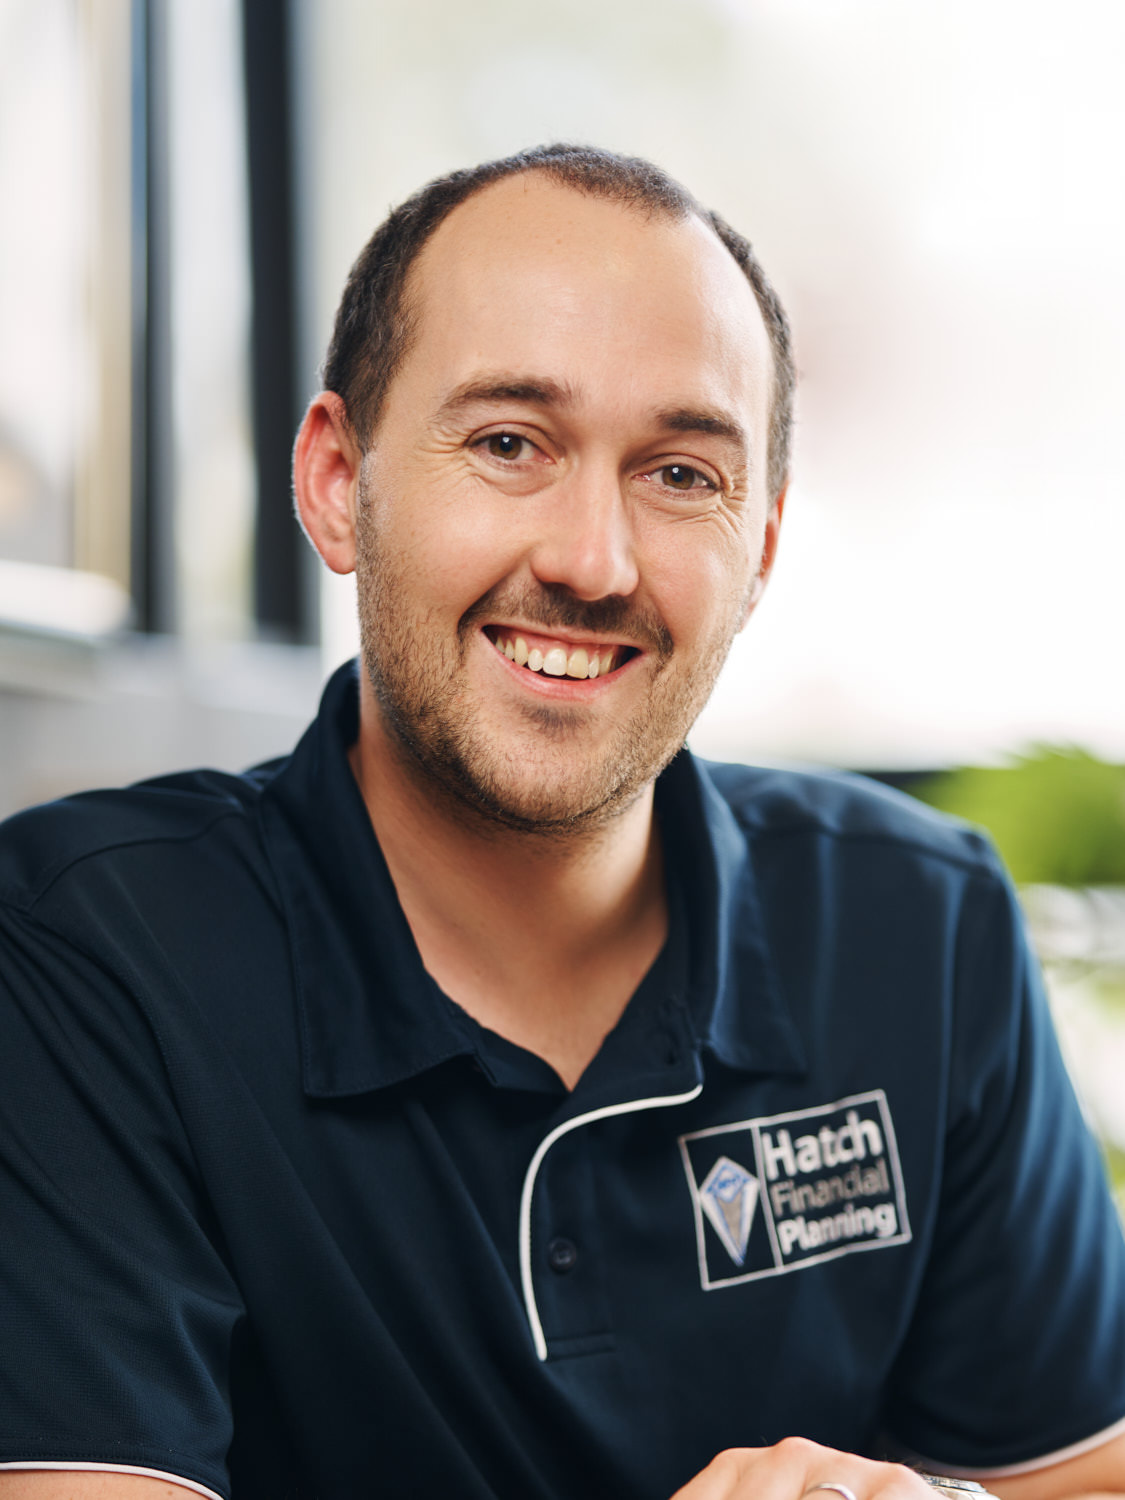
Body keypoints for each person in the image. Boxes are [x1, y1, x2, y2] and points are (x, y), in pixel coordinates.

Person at [0, 144, 1123, 1500]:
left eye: (680, 474)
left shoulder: (919, 922)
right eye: (508, 445)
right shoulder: (87, 948)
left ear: (759, 546)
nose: (590, 560)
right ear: (335, 483)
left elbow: (1075, 1476)